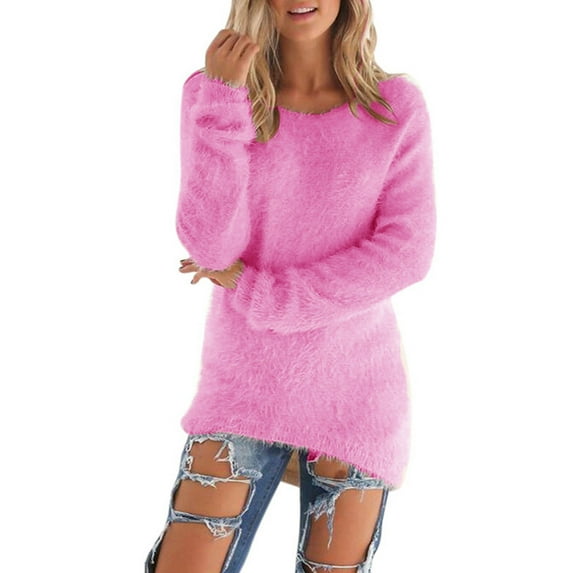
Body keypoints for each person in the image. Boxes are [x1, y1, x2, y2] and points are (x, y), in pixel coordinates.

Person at [145, 0, 436, 571]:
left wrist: (266, 294)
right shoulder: (214, 92)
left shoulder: (394, 107)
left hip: (355, 395)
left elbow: (406, 253)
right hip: (242, 386)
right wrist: (224, 99)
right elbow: (210, 248)